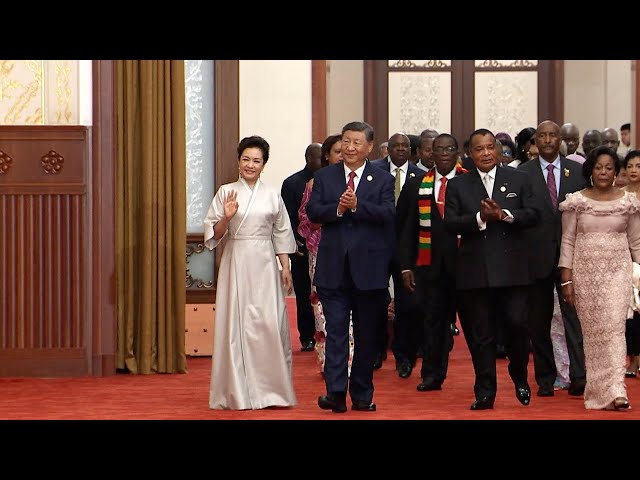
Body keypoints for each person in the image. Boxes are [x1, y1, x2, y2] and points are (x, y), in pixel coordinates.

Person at [444, 128, 541, 410]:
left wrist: (505, 215)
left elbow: (534, 215)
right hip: (475, 271)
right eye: (479, 149)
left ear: (498, 151)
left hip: (513, 268)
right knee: (481, 334)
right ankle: (485, 391)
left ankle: (519, 375)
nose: (485, 153)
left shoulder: (519, 179)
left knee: (517, 324)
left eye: (490, 148)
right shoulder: (459, 185)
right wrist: (479, 218)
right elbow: (450, 223)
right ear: (469, 154)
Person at [203, 135, 297, 410]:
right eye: (246, 159)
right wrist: (227, 217)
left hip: (265, 262)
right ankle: (237, 391)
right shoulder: (226, 192)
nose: (250, 165)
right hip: (237, 260)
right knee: (236, 324)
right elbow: (214, 235)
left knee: (268, 322)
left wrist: (285, 267)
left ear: (264, 164)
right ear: (238, 161)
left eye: (256, 161)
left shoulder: (272, 194)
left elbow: (281, 232)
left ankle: (272, 391)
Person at [307, 121, 395, 413]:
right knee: (336, 333)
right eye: (346, 141)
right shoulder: (326, 177)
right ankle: (335, 393)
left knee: (368, 335)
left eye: (357, 142)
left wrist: (358, 206)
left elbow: (387, 214)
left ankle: (361, 394)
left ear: (369, 147)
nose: (350, 147)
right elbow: (313, 211)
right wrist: (338, 209)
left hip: (369, 272)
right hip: (333, 271)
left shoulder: (382, 178)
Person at [559, 145, 640, 410]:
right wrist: (567, 279)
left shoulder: (628, 202)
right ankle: (599, 391)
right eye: (598, 167)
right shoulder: (577, 201)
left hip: (618, 271)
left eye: (608, 167)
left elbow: (636, 242)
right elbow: (568, 241)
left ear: (616, 172)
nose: (603, 172)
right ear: (590, 171)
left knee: (615, 328)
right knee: (594, 334)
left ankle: (617, 389)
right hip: (585, 275)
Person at [518, 120, 587, 398]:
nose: (547, 140)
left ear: (561, 140)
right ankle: (545, 378)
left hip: (571, 257)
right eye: (542, 136)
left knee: (574, 318)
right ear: (535, 140)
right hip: (535, 259)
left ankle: (578, 376)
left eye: (553, 135)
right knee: (539, 321)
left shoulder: (578, 172)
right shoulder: (523, 174)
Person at [396, 133, 466, 392]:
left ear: (457, 151)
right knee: (432, 322)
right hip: (429, 266)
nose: (445, 153)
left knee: (475, 325)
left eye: (449, 148)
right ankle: (432, 375)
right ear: (430, 154)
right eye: (439, 149)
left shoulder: (469, 180)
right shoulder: (416, 184)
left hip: (467, 266)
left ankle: (483, 381)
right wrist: (406, 265)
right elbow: (405, 229)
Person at [297, 134, 354, 374]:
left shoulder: (358, 181)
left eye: (347, 150)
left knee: (353, 309)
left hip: (354, 253)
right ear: (327, 156)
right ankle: (328, 362)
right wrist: (337, 213)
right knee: (323, 308)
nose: (343, 154)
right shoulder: (315, 184)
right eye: (338, 151)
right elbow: (306, 220)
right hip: (321, 252)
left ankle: (351, 362)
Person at [371, 132, 424, 378]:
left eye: (405, 146)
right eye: (396, 146)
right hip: (376, 247)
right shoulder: (373, 171)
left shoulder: (421, 176)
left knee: (408, 305)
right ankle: (375, 351)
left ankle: (405, 357)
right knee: (374, 300)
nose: (401, 149)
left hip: (408, 250)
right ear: (387, 149)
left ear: (411, 151)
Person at [281, 143, 322, 352]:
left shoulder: (327, 181)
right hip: (299, 247)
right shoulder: (292, 183)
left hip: (322, 247)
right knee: (304, 292)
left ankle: (322, 332)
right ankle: (306, 336)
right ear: (308, 159)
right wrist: (294, 240)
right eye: (318, 157)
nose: (322, 161)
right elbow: (286, 215)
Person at [622, 150, 640, 377]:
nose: (634, 170)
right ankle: (633, 359)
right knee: (629, 314)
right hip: (624, 258)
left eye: (639, 166)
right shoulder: (620, 196)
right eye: (631, 166)